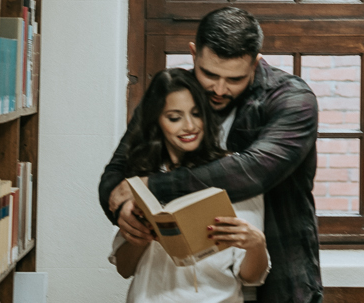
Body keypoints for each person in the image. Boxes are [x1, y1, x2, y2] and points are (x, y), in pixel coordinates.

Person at [100, 8, 321, 303]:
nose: (219, 89)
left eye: (235, 79)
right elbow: (118, 172)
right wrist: (123, 211)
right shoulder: (174, 94)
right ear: (194, 54)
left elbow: (252, 171)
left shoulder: (292, 99)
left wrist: (151, 186)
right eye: (209, 74)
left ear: (255, 62)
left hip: (281, 274)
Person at [110, 67, 269, 303]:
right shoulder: (140, 176)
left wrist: (257, 245)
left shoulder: (233, 173)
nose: (190, 126)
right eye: (174, 117)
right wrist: (142, 234)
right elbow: (125, 269)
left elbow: (251, 276)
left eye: (196, 114)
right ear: (157, 122)